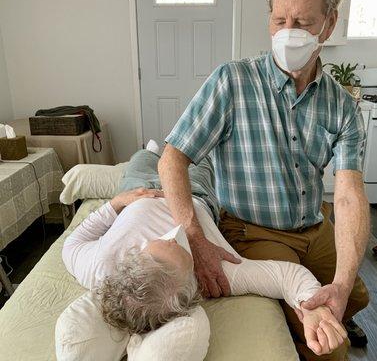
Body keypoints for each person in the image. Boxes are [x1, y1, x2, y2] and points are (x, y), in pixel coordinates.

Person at [158, 0, 370, 360]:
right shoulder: (231, 82)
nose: (288, 32)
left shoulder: (342, 106)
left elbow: (348, 196)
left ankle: (332, 307)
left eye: (303, 22)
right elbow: (171, 159)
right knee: (331, 351)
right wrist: (196, 239)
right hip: (253, 230)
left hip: (313, 222)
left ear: (329, 23)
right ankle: (301, 328)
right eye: (279, 20)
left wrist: (341, 285)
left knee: (358, 293)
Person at [62, 148, 347, 357]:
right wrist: (311, 306)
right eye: (183, 251)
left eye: (167, 246)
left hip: (136, 192)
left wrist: (115, 204)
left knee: (142, 157)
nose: (176, 238)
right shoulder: (214, 272)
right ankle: (156, 152)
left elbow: (72, 243)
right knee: (203, 163)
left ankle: (150, 150)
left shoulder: (99, 264)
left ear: (135, 258)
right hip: (194, 194)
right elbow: (286, 275)